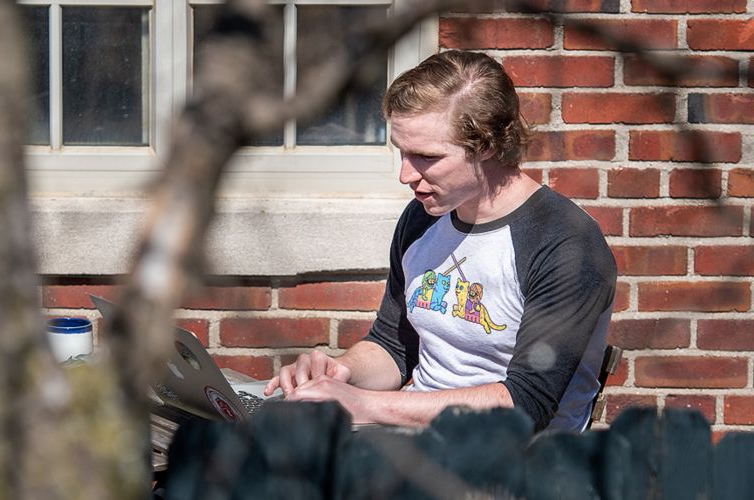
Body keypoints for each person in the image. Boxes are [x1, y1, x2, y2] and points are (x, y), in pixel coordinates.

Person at [264, 50, 617, 432]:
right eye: (402, 153)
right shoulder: (423, 217)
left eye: (425, 157)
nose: (405, 175)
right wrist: (339, 374)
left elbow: (526, 403)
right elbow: (395, 347)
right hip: (413, 443)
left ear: (486, 145)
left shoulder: (565, 242)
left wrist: (364, 404)